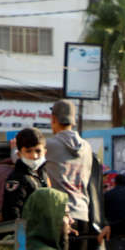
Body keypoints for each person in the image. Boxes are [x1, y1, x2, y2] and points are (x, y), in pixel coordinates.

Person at [44, 99, 94, 235]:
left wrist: (14, 151)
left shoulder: (48, 145)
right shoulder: (87, 147)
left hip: (60, 216)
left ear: (53, 119)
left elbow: (26, 161)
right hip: (83, 214)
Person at [1, 128, 50, 221]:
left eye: (38, 151)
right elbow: (12, 212)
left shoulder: (43, 174)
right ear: (19, 154)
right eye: (28, 151)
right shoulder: (17, 178)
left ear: (45, 152)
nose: (34, 156)